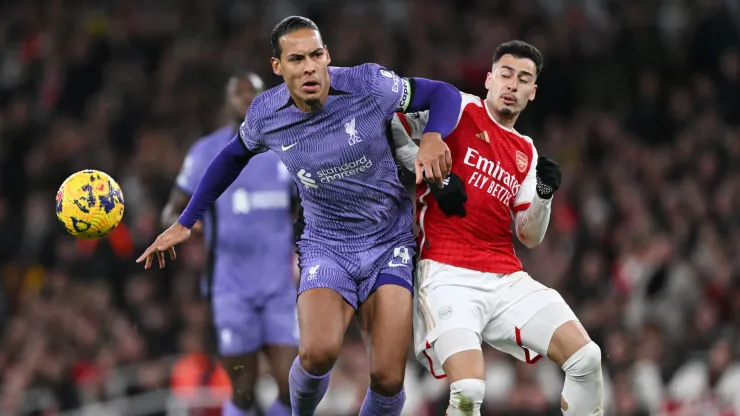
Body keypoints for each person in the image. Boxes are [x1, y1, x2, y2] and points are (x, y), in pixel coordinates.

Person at [137, 15, 462, 416]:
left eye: (315, 55)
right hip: (327, 245)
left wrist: (432, 137)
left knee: (389, 379)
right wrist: (185, 221)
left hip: (388, 242)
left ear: (327, 56)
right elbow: (231, 158)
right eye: (296, 59)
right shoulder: (266, 114)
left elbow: (444, 94)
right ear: (278, 66)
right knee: (317, 353)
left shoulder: (368, 84)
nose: (309, 67)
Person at [391, 40, 604, 416]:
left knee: (587, 357)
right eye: (505, 74)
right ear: (489, 79)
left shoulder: (526, 150)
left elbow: (530, 236)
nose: (512, 84)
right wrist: (430, 173)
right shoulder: (456, 108)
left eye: (523, 79)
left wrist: (544, 195)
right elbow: (391, 123)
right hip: (445, 272)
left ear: (532, 92)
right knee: (469, 388)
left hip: (505, 276)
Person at [162, 73, 299, 416]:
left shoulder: (287, 149)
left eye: (252, 92)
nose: (246, 99)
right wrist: (183, 228)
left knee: (294, 387)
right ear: (227, 102)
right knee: (243, 391)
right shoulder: (207, 151)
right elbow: (172, 208)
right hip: (231, 290)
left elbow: (306, 205)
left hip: (279, 290)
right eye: (238, 94)